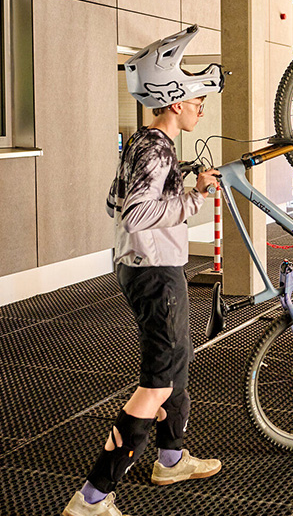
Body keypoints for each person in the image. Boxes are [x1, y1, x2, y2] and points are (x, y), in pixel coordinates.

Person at [64, 25, 225, 516]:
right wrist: (195, 197)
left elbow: (115, 200)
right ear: (174, 100)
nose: (202, 104)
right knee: (157, 381)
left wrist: (186, 188)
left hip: (152, 266)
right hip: (153, 271)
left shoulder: (145, 143)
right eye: (197, 96)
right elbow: (135, 214)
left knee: (176, 365)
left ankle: (171, 458)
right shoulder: (157, 148)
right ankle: (93, 496)